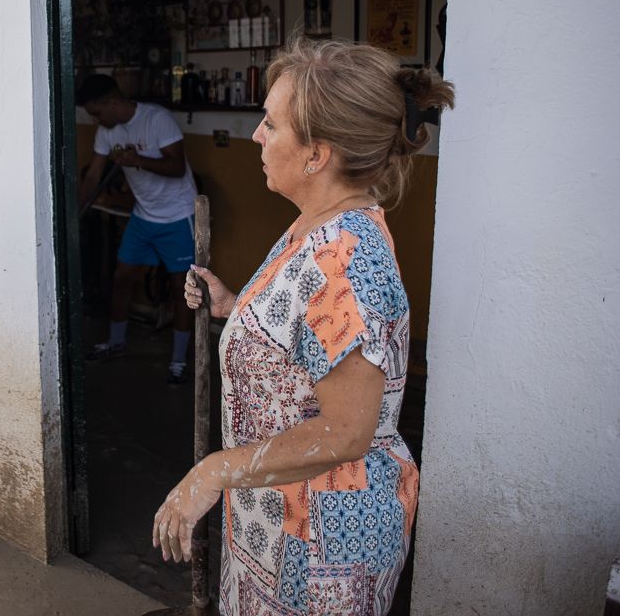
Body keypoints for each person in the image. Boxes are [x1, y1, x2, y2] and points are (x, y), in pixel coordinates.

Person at [153, 39, 455, 615]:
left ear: (316, 155)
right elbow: (312, 335)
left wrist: (215, 470)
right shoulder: (316, 225)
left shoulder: (346, 258)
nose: (257, 136)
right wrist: (234, 307)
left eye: (270, 123)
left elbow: (344, 434)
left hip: (323, 541)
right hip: (278, 513)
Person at [77, 73, 198, 384]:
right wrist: (76, 212)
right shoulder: (106, 131)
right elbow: (93, 175)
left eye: (97, 113)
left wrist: (138, 160)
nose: (95, 120)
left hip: (177, 216)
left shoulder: (157, 119)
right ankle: (116, 342)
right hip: (143, 216)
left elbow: (177, 167)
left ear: (113, 102)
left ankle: (178, 360)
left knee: (181, 289)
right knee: (122, 278)